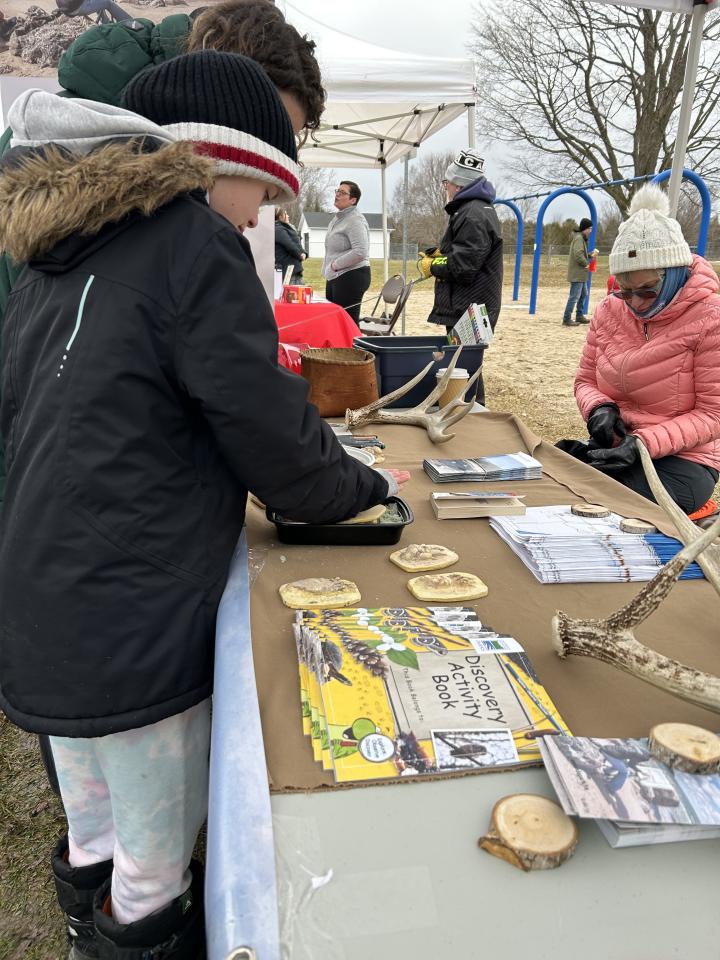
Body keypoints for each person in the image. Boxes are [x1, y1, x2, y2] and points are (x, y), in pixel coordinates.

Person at [0, 52, 407, 958]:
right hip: (134, 604)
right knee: (151, 861)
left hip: (45, 589)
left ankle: (82, 932)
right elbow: (262, 423)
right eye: (259, 195)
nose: (259, 219)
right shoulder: (193, 243)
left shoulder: (61, 252)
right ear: (216, 164)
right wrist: (363, 490)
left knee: (95, 818)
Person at [0, 0, 326, 503]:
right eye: (265, 121)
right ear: (221, 94)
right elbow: (46, 380)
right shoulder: (66, 153)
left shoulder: (168, 197)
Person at [571, 184, 720, 514]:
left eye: (648, 291)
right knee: (553, 475)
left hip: (686, 460)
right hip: (618, 448)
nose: (635, 303)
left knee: (596, 500)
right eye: (625, 292)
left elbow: (713, 415)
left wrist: (643, 443)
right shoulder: (609, 311)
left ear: (674, 274)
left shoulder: (711, 319)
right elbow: (585, 382)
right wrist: (598, 408)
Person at [418, 147, 503, 404]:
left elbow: (464, 266)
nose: (446, 187)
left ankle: (473, 414)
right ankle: (466, 409)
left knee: (465, 365)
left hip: (471, 307)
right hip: (468, 303)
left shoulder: (473, 214)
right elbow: (462, 254)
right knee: (463, 363)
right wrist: (438, 255)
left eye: (447, 182)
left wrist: (433, 267)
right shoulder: (472, 211)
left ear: (458, 184)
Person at [322, 181, 371, 323]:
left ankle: (351, 346)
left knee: (346, 324)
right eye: (337, 191)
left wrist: (334, 265)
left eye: (342, 193)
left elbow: (361, 251)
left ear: (353, 200)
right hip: (335, 276)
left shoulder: (355, 220)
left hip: (351, 276)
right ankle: (338, 346)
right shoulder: (337, 219)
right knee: (335, 323)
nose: (337, 194)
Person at [562, 217, 596, 326]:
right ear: (585, 228)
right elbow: (578, 255)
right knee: (574, 296)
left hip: (581, 275)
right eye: (589, 228)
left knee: (583, 294)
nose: (591, 231)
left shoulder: (581, 238)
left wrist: (590, 255)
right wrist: (586, 263)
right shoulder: (579, 239)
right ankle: (566, 319)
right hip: (577, 275)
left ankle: (579, 316)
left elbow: (581, 253)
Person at [275, 207, 306, 283]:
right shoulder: (278, 229)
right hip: (289, 270)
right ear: (280, 217)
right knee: (291, 293)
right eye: (286, 214)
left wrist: (304, 253)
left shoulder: (286, 228)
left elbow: (296, 242)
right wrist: (300, 255)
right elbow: (289, 244)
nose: (288, 216)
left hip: (295, 269)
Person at [55, 0, 132, 22]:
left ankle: (105, 22)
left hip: (65, 8)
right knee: (109, 3)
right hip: (76, 8)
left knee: (99, 2)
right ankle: (129, 23)